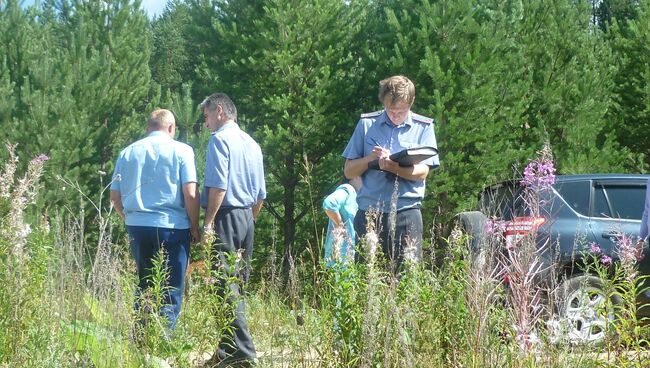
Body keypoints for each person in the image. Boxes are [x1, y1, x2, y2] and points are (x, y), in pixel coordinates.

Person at [110, 109, 200, 332]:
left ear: (148, 127)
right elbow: (190, 194)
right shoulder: (182, 151)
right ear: (171, 128)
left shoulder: (127, 153)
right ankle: (162, 343)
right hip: (173, 227)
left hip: (138, 226)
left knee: (146, 283)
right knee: (171, 288)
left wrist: (129, 218)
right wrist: (195, 226)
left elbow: (114, 197)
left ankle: (141, 338)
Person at [342, 75, 439, 271]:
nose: (395, 116)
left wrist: (394, 166)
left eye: (401, 112)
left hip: (407, 212)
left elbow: (423, 172)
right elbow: (348, 170)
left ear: (411, 103)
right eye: (390, 110)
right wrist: (371, 159)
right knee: (366, 277)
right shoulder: (367, 125)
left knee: (408, 277)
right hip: (369, 213)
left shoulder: (424, 127)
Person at [200, 93, 265, 368]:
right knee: (236, 284)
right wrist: (248, 220)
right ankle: (226, 353)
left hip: (225, 214)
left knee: (224, 286)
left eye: (206, 117)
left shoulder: (220, 140)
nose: (206, 124)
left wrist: (208, 223)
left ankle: (244, 353)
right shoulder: (252, 143)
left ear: (219, 111)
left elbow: (218, 187)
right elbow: (261, 195)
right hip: (247, 217)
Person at [323, 176, 362, 266]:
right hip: (343, 253)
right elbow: (329, 203)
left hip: (349, 254)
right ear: (355, 176)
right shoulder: (348, 189)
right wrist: (340, 225)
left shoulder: (357, 196)